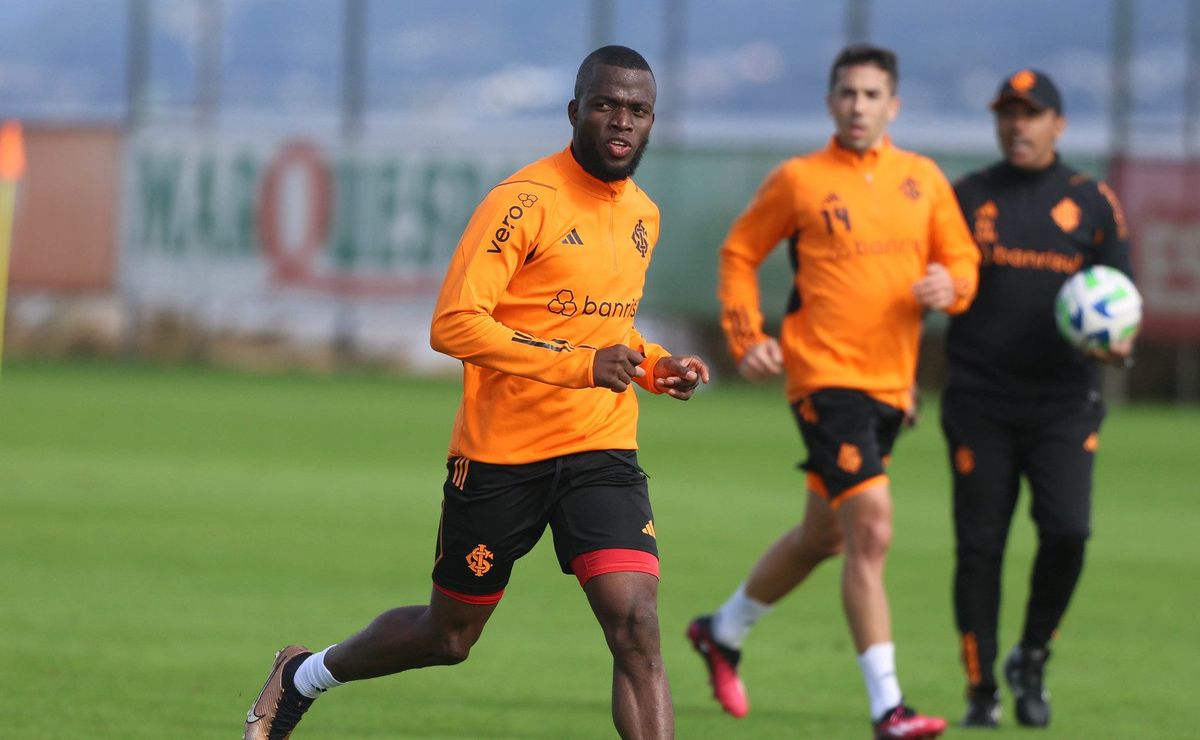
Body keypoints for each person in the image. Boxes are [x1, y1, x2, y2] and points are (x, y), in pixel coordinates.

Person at [242, 45, 710, 740]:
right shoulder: (522, 201)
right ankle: (303, 675)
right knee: (449, 636)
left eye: (637, 110)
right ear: (574, 111)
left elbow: (607, 327)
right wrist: (580, 364)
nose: (622, 121)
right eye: (606, 105)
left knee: (636, 625)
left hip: (600, 446)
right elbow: (455, 323)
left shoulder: (644, 213)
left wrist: (655, 367)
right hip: (502, 456)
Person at [685, 44, 979, 739]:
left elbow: (963, 259)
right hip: (823, 378)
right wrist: (744, 335)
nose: (858, 106)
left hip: (891, 390)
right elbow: (739, 253)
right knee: (870, 529)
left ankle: (721, 631)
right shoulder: (801, 179)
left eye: (871, 95)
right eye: (847, 93)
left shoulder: (923, 179)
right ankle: (890, 709)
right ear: (829, 103)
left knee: (823, 537)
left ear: (893, 106)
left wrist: (954, 285)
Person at [942, 69, 1135, 729]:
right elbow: (932, 281)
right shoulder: (967, 196)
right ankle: (981, 690)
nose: (1016, 124)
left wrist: (1118, 347)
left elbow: (1123, 301)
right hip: (979, 402)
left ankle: (1033, 654)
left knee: (1068, 532)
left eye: (1030, 113)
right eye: (1007, 113)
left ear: (1059, 124)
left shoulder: (1093, 201)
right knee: (980, 547)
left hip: (1063, 402)